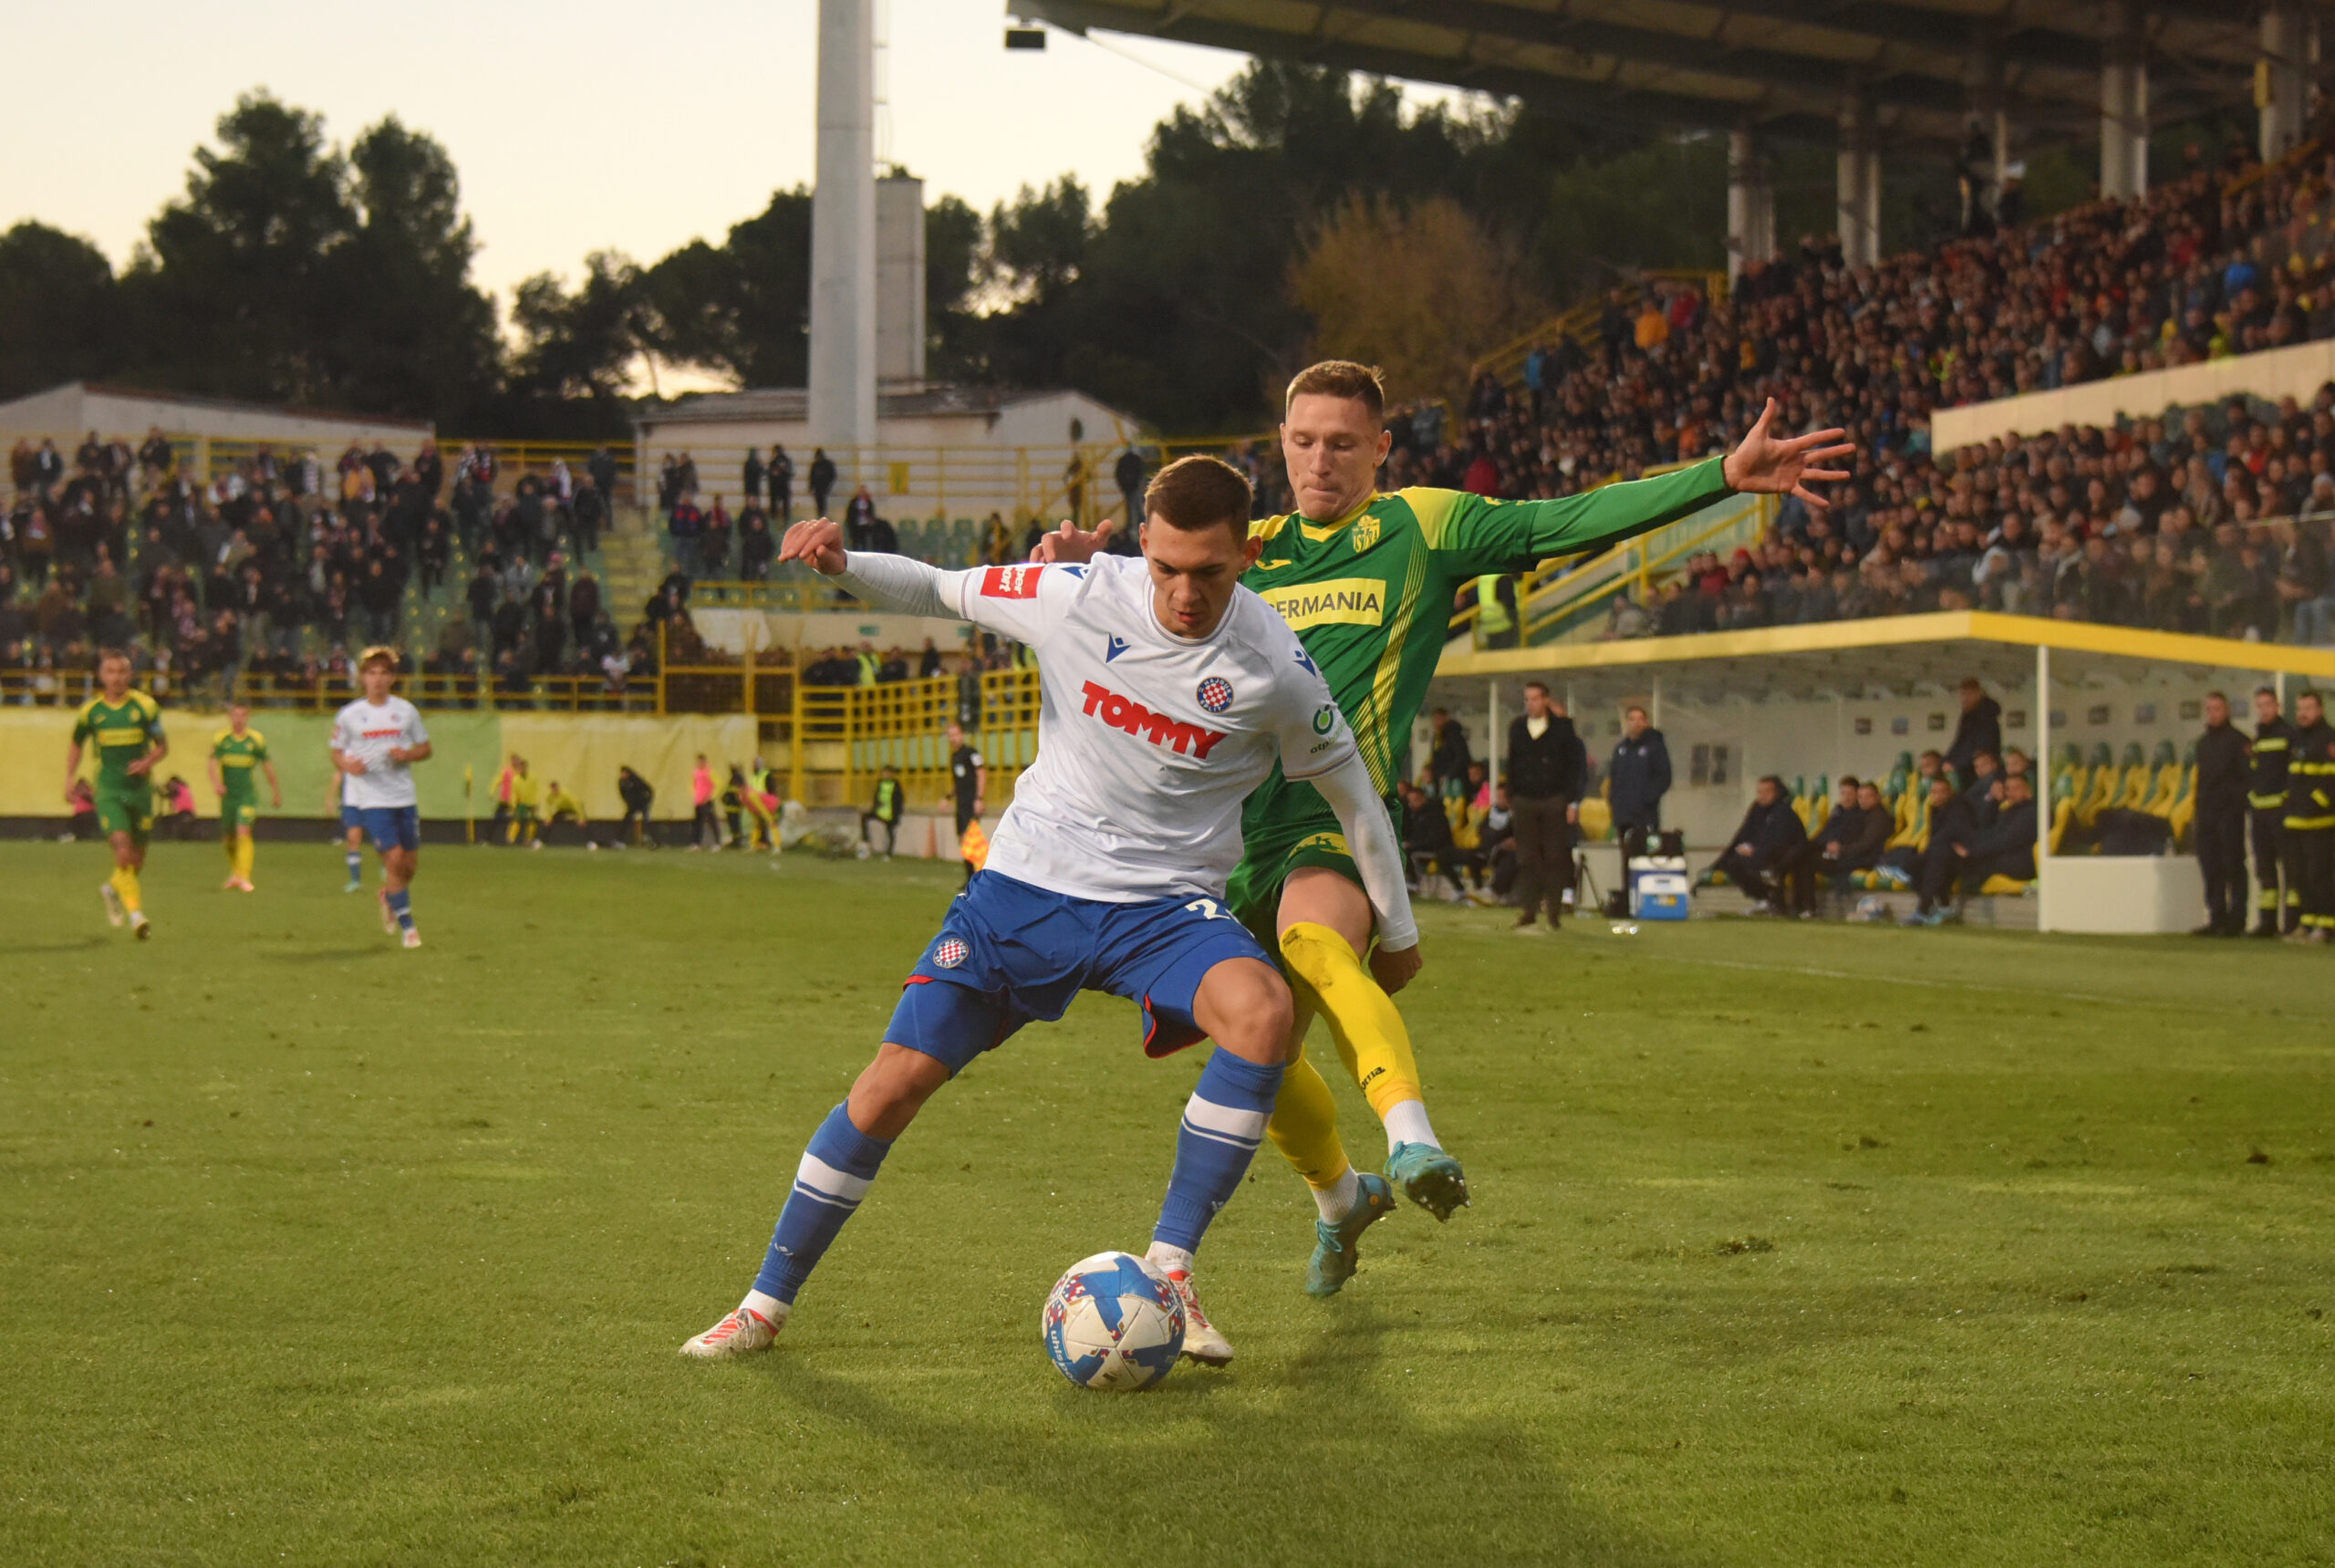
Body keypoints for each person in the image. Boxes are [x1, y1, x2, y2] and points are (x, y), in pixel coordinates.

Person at [1034, 359, 1851, 1296]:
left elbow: (1561, 519)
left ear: (1380, 450)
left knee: (1314, 938)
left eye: (1343, 443)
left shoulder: (1423, 525)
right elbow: (1136, 599)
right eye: (1302, 442)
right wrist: (1076, 568)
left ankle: (1410, 1137)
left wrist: (1717, 476)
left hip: (1334, 815)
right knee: (1259, 1055)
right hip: (1222, 834)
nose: (1320, 462)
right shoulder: (1248, 546)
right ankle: (1341, 1200)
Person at [680, 455, 1417, 1367]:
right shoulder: (1075, 594)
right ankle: (761, 1307)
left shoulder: (1276, 668)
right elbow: (941, 589)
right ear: (1142, 544)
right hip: (1024, 891)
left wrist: (1401, 935)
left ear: (1246, 554)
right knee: (888, 1086)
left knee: (1262, 1011)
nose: (1186, 594)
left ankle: (1170, 1271)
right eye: (1168, 569)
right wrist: (841, 566)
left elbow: (1354, 797)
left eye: (1211, 573)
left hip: (1160, 909)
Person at [330, 647, 433, 948]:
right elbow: (336, 752)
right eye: (371, 672)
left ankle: (388, 894)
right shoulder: (350, 715)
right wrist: (347, 764)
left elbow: (426, 748)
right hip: (372, 799)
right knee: (394, 858)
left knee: (409, 866)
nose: (377, 678)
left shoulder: (405, 711)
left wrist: (409, 754)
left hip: (404, 797)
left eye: (383, 673)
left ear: (392, 678)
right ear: (362, 678)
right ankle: (408, 928)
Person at [65, 649, 167, 939]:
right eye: (110, 672)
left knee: (136, 862)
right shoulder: (92, 712)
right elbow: (76, 744)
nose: (117, 678)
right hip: (109, 791)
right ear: (101, 676)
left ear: (130, 675)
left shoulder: (145, 707)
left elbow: (162, 746)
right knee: (122, 852)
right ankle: (137, 917)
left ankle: (111, 889)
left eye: (122, 672)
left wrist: (147, 762)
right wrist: (69, 777)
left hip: (140, 792)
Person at [1505, 681, 1584, 930]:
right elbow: (1512, 763)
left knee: (1554, 856)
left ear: (1546, 700)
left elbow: (1575, 766)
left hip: (1554, 799)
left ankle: (1554, 912)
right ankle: (1528, 909)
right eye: (1527, 699)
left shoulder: (1563, 728)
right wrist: (1511, 796)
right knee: (1527, 857)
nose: (1531, 704)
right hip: (1524, 799)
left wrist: (1572, 800)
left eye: (1536, 698)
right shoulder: (1517, 728)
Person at [1782, 776, 1888, 916]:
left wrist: (1840, 849)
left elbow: (1864, 844)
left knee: (1805, 859)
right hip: (1838, 853)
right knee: (1801, 854)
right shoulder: (1839, 811)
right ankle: (1799, 906)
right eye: (1843, 793)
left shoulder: (1871, 816)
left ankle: (1804, 905)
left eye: (1851, 794)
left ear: (1877, 797)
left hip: (1852, 859)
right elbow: (1824, 834)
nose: (1847, 797)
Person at [2192, 691, 2251, 936]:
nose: (2213, 713)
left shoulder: (2239, 741)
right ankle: (2216, 917)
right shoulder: (2202, 744)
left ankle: (2236, 920)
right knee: (2211, 866)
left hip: (2229, 814)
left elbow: (2246, 780)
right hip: (2206, 814)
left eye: (2217, 708)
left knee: (2233, 865)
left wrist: (2234, 806)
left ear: (2226, 710)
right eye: (2209, 709)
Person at [207, 703, 281, 893]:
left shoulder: (255, 740)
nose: (239, 719)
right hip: (228, 797)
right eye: (235, 715)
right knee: (228, 838)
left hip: (247, 795)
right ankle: (235, 873)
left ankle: (245, 878)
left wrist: (275, 791)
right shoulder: (221, 739)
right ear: (230, 717)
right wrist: (217, 784)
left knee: (243, 832)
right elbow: (212, 764)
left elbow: (267, 765)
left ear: (247, 717)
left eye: (242, 715)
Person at [2283, 689, 2335, 942]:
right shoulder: (2296, 739)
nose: (2302, 714)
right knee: (2300, 876)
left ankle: (2326, 927)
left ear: (2320, 709)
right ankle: (2307, 921)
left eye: (2308, 708)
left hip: (2320, 822)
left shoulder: (2329, 739)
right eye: (2300, 708)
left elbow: (2331, 781)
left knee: (2320, 875)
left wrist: (2315, 805)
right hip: (2296, 821)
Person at [1713, 774, 1809, 913]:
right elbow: (1744, 834)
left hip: (1780, 857)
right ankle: (1762, 899)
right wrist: (1740, 849)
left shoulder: (1784, 812)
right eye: (1759, 792)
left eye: (1767, 792)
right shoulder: (1756, 810)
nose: (1762, 796)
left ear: (1776, 793)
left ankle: (1772, 900)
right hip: (1758, 854)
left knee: (1756, 864)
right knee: (1732, 862)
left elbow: (1782, 841)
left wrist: (1756, 851)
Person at [2248, 687, 2294, 937]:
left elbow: (2290, 774)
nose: (2264, 709)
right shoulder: (2259, 737)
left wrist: (2285, 800)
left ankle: (2291, 923)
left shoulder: (2288, 734)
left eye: (2268, 704)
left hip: (2280, 812)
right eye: (2260, 705)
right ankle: (2267, 922)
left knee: (2289, 868)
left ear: (2277, 706)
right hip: (2260, 814)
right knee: (2264, 870)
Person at [1905, 775, 1982, 924]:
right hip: (1944, 855)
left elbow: (1953, 833)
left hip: (1967, 859)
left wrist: (1934, 848)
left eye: (1942, 792)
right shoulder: (1935, 811)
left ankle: (1923, 910)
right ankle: (1943, 906)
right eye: (1934, 792)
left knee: (1936, 858)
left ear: (1949, 793)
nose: (1937, 795)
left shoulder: (1960, 807)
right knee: (1912, 865)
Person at [1607, 703, 1670, 853]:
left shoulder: (1655, 747)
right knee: (1626, 857)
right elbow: (1614, 777)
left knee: (1644, 856)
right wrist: (1615, 802)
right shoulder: (1621, 749)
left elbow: (1664, 777)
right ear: (1627, 722)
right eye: (1632, 719)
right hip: (1623, 815)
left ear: (1646, 722)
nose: (1636, 723)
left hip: (1645, 816)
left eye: (1640, 719)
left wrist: (1647, 799)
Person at [946, 720, 985, 886]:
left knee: (971, 839)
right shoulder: (954, 757)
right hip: (960, 803)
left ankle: (979, 877)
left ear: (962, 735)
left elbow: (982, 773)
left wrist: (979, 798)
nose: (953, 738)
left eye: (956, 734)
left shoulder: (971, 753)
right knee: (962, 839)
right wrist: (948, 797)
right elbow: (958, 782)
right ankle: (971, 878)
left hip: (971, 802)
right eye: (950, 736)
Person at [1945, 678, 2003, 786]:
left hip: (1976, 774)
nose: (1964, 699)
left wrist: (1956, 764)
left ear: (1978, 694)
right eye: (1962, 695)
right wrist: (1946, 760)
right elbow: (1959, 742)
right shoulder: (1967, 717)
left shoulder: (1987, 718)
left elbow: (1983, 749)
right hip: (1964, 769)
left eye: (1968, 694)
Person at [332, 772, 366, 892]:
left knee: (382, 841)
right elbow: (339, 772)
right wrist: (331, 797)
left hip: (375, 800)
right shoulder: (345, 753)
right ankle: (355, 880)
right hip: (352, 802)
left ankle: (388, 871)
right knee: (353, 839)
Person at [862, 763, 903, 858]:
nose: (886, 775)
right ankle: (866, 840)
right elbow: (876, 797)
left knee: (890, 832)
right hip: (880, 811)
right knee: (865, 817)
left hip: (891, 813)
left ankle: (889, 853)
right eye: (884, 773)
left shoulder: (896, 785)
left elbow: (899, 801)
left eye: (888, 773)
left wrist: (898, 815)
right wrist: (875, 807)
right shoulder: (880, 783)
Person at [617, 765, 656, 846]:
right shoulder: (622, 782)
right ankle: (619, 841)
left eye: (625, 773)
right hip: (632, 806)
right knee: (626, 821)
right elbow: (623, 794)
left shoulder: (636, 780)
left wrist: (647, 801)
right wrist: (628, 802)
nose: (623, 775)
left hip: (642, 804)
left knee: (646, 821)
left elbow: (649, 790)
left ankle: (653, 841)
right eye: (622, 773)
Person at [690, 753, 720, 849]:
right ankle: (696, 844)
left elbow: (719, 784)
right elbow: (692, 785)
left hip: (707, 801)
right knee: (698, 823)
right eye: (698, 761)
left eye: (702, 761)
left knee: (712, 822)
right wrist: (694, 796)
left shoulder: (710, 771)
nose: (700, 763)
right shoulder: (695, 772)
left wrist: (711, 797)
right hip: (698, 801)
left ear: (705, 761)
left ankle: (717, 843)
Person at [808, 448, 836, 519]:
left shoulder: (828, 464)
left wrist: (829, 485)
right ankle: (820, 514)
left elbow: (833, 475)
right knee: (818, 502)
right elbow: (811, 477)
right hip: (817, 487)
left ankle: (823, 514)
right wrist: (811, 487)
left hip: (825, 486)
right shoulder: (815, 465)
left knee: (823, 501)